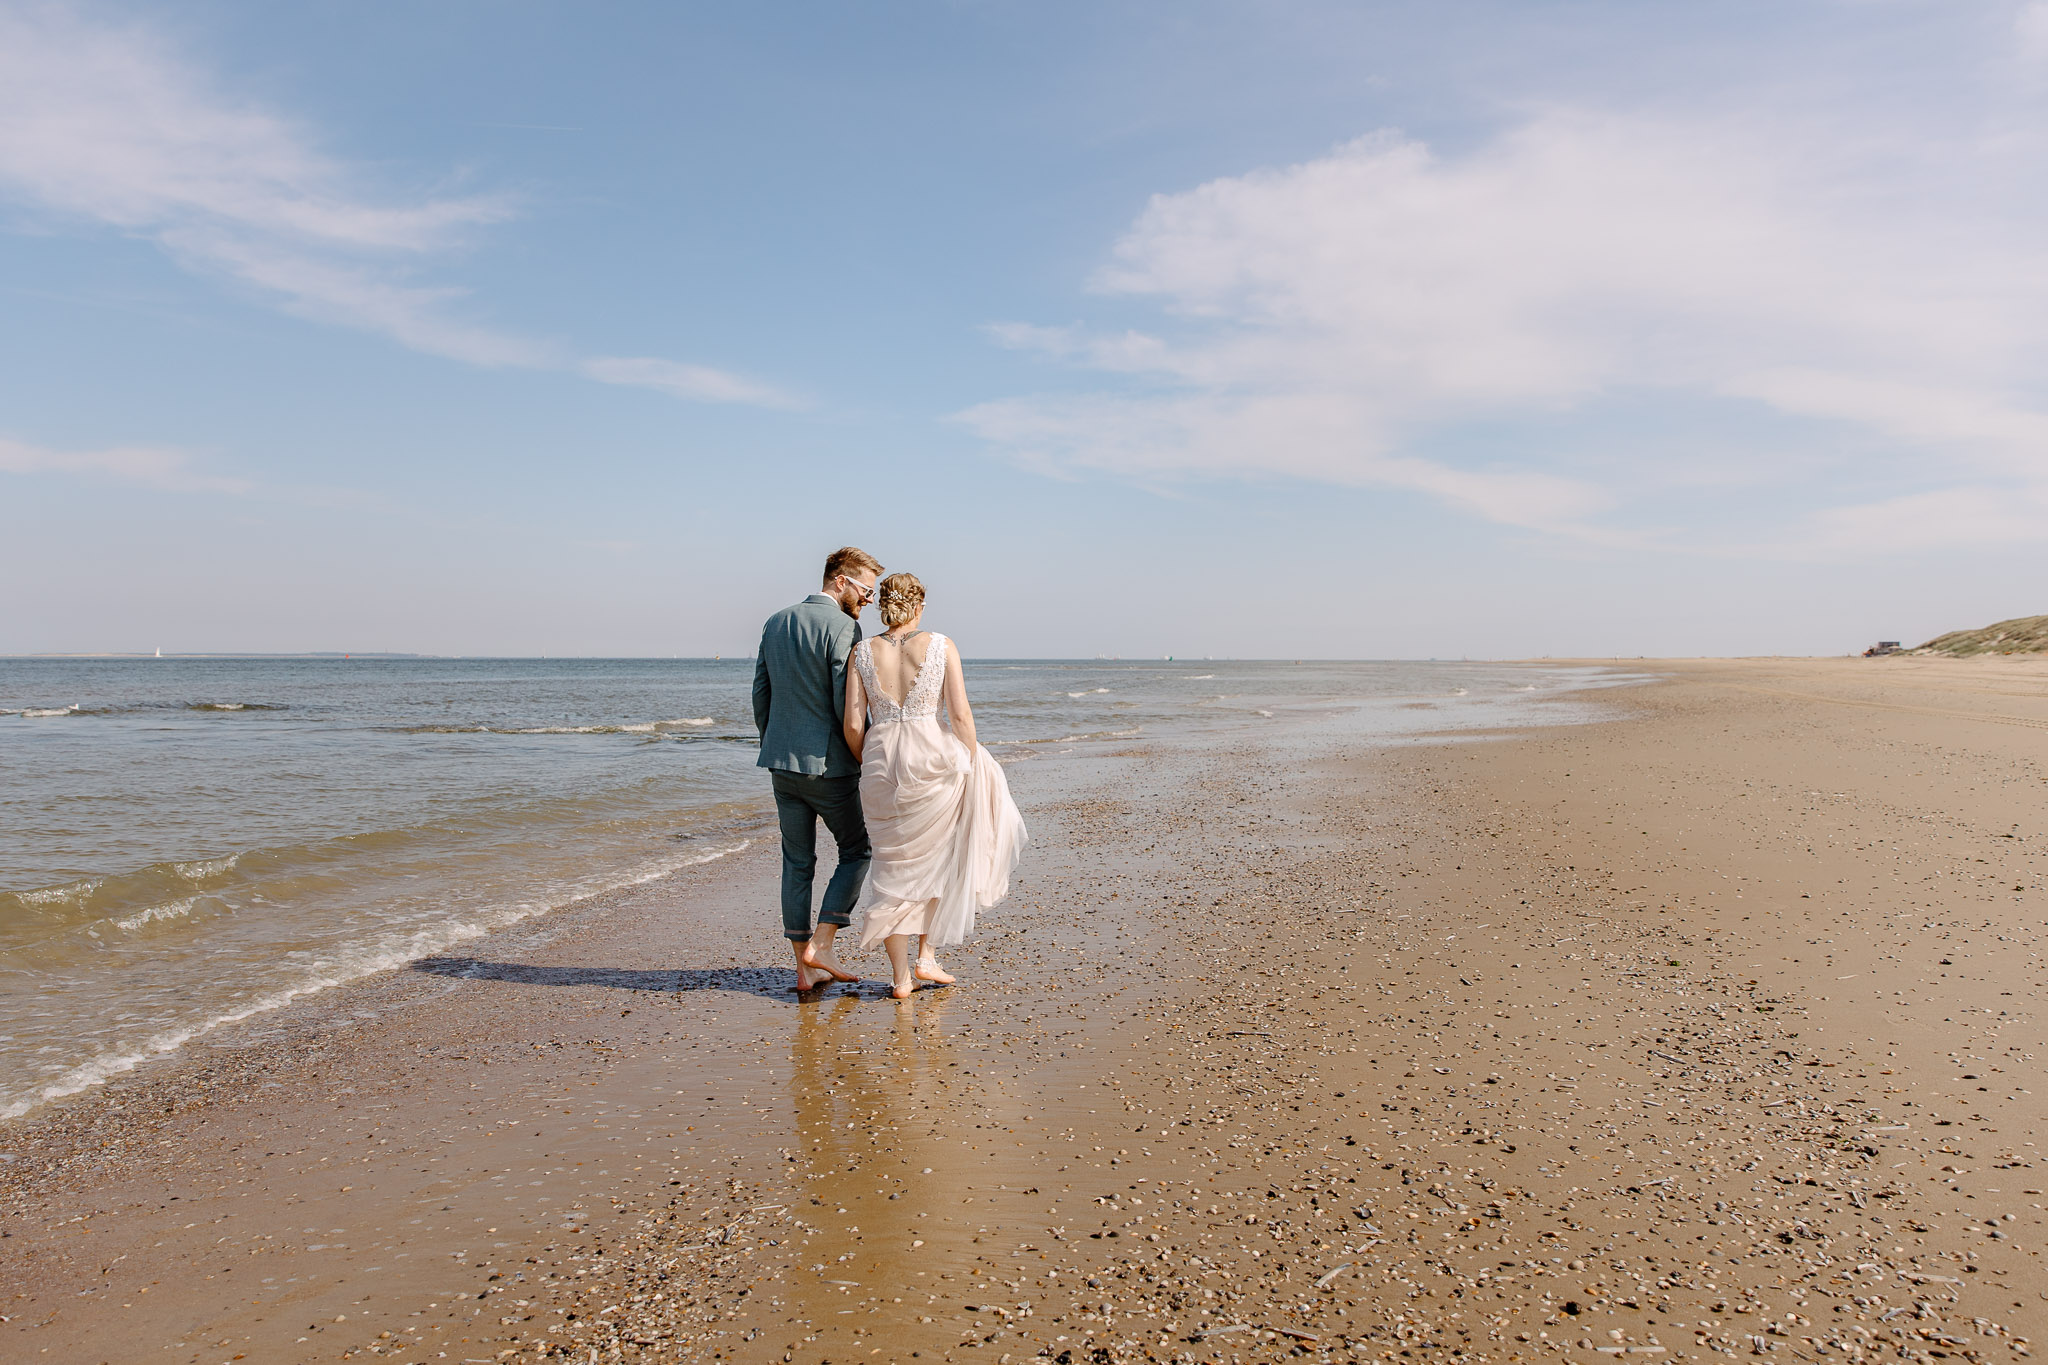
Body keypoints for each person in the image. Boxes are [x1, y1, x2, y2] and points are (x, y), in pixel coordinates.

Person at [842, 572, 1028, 998]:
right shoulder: (942, 645)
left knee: (891, 867)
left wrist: (869, 762)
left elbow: (854, 723)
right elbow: (960, 715)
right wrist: (971, 757)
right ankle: (927, 956)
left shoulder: (861, 652)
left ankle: (902, 978)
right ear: (920, 605)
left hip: (880, 759)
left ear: (884, 604)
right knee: (939, 858)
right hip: (932, 758)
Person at [754, 546, 883, 990]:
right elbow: (845, 707)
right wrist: (865, 757)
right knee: (857, 850)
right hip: (830, 767)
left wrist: (774, 744)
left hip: (781, 763)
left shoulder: (776, 621)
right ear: (841, 580)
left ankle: (803, 969)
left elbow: (761, 693)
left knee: (796, 862)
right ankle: (822, 942)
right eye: (865, 590)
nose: (869, 599)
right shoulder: (846, 627)